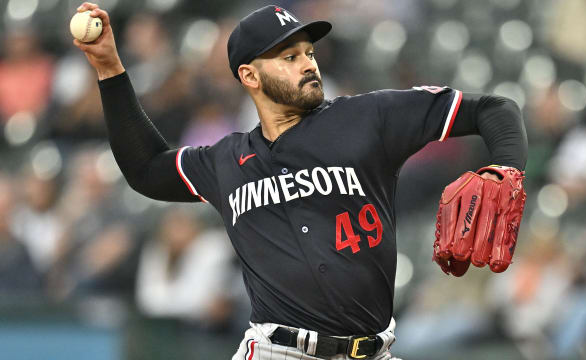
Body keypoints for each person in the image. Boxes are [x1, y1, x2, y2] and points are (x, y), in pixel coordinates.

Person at [73, 3, 527, 359]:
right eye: (289, 57)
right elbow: (147, 169)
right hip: (276, 351)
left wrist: (505, 166)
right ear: (249, 75)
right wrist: (110, 69)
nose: (308, 64)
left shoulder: (368, 117)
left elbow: (495, 110)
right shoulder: (226, 160)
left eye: (309, 52)